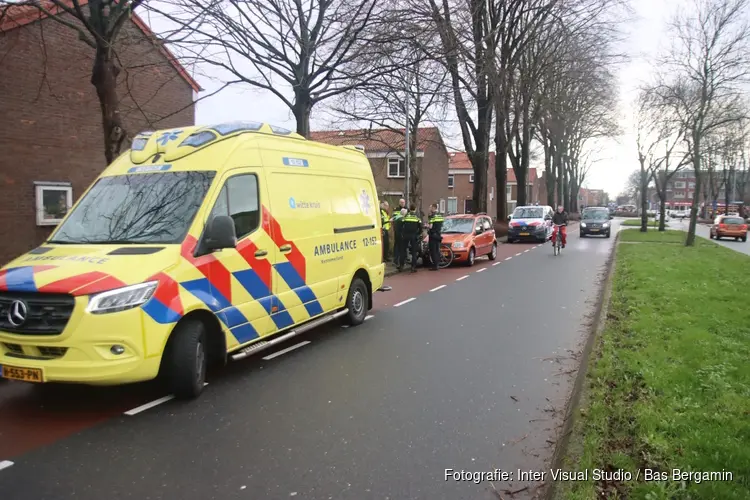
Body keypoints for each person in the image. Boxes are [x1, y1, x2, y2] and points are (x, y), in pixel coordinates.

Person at [399, 203, 421, 273]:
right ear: (415, 209)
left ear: (410, 209)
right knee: (414, 252)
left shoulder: (406, 216)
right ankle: (413, 267)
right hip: (413, 235)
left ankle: (401, 266)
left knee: (403, 250)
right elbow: (420, 228)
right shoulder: (417, 217)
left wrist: (402, 233)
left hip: (405, 235)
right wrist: (417, 234)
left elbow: (401, 225)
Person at [427, 203, 444, 271]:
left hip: (433, 235)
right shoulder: (440, 215)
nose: (430, 209)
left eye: (430, 208)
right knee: (437, 250)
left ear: (433, 208)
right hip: (438, 234)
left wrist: (426, 226)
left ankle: (435, 266)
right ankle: (437, 264)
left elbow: (430, 226)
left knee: (433, 250)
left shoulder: (432, 216)